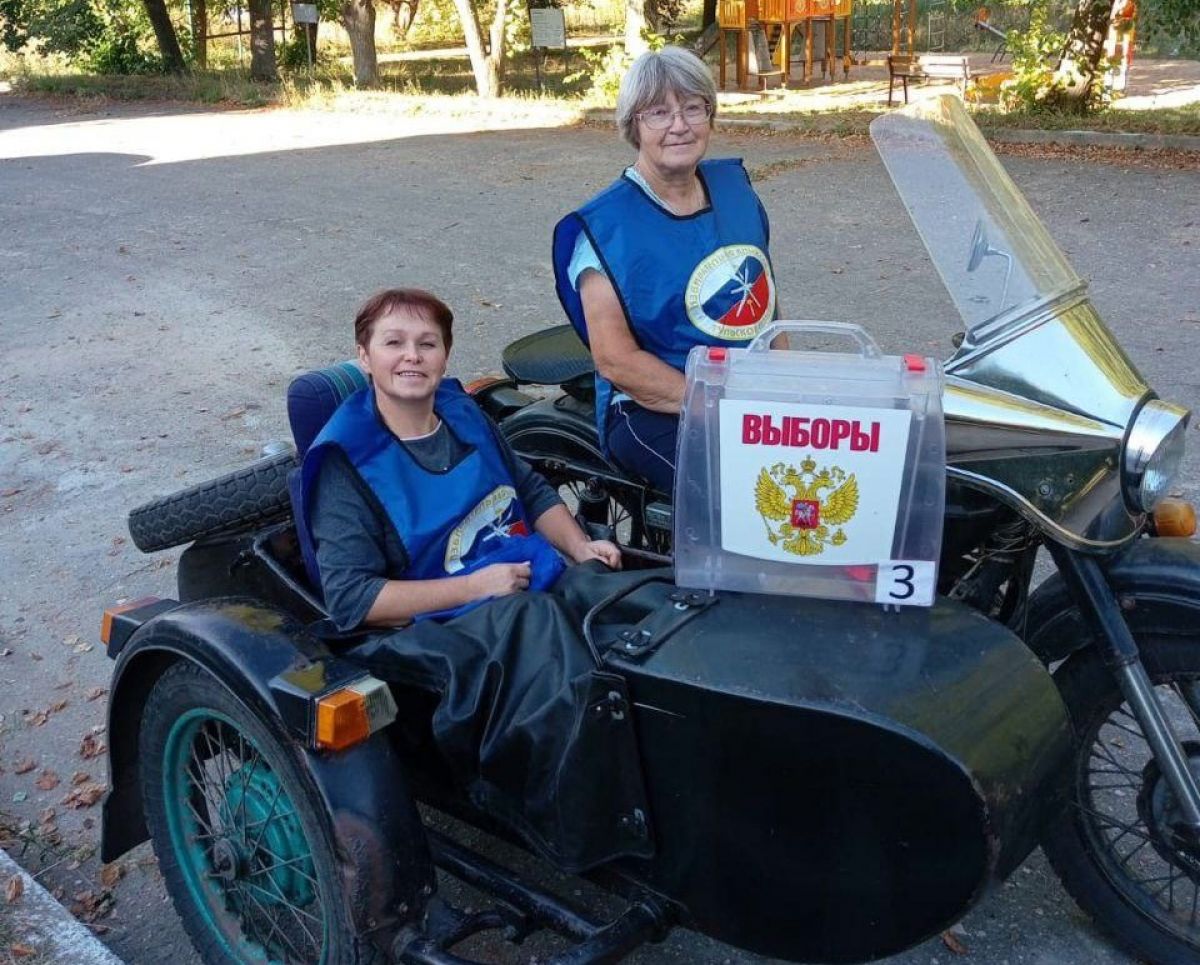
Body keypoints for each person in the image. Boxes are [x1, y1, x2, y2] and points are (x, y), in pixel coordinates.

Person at [299, 288, 645, 872]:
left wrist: (582, 546)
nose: (412, 357)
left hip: (517, 576)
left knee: (610, 597)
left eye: (426, 343)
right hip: (426, 624)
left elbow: (529, 489)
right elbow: (354, 600)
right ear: (364, 357)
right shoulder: (345, 464)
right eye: (394, 343)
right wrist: (475, 587)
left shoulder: (463, 413)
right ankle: (578, 816)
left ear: (444, 354)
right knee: (538, 628)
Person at [553, 46, 778, 495]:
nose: (679, 125)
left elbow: (766, 304)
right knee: (743, 496)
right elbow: (616, 360)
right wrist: (722, 405)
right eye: (658, 112)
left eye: (693, 107)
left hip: (747, 396)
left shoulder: (736, 191)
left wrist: (783, 391)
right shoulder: (604, 229)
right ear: (634, 126)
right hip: (655, 407)